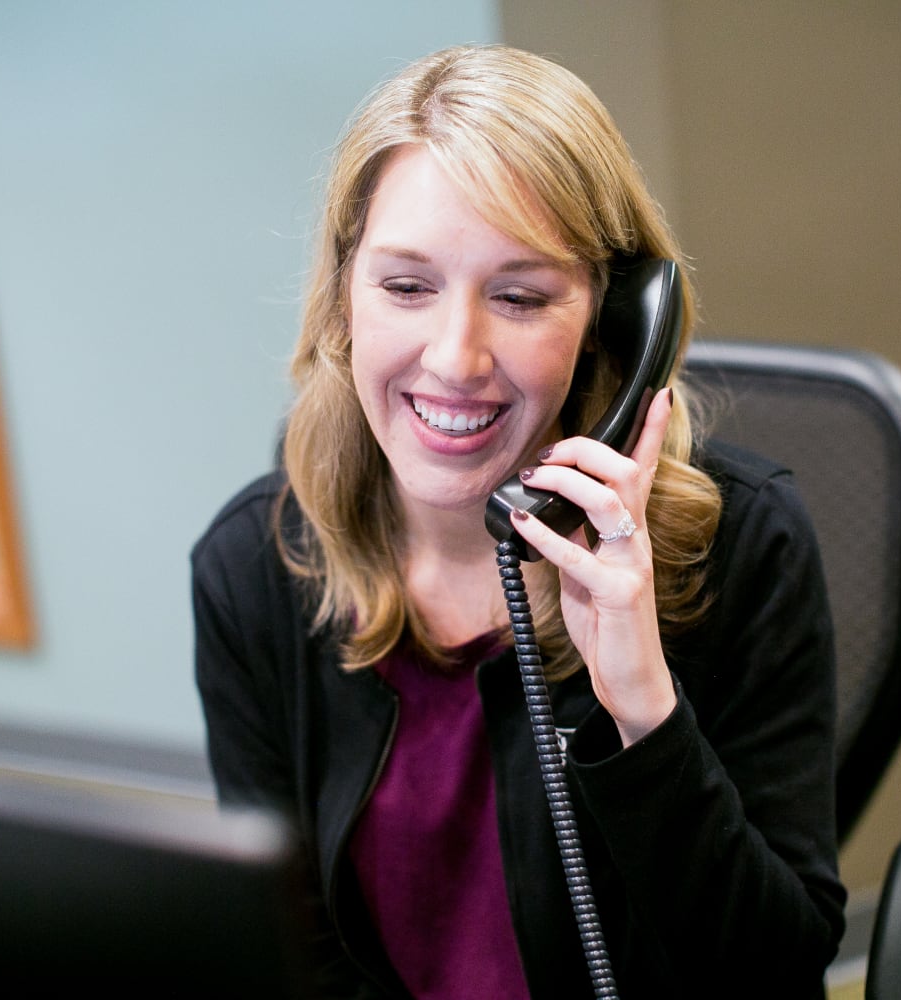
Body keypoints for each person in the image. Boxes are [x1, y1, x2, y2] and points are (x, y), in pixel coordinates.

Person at [191, 43, 846, 999]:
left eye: (522, 296)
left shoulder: (742, 548)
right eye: (406, 287)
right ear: (343, 301)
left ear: (614, 322)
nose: (456, 358)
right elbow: (291, 953)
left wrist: (643, 709)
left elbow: (770, 975)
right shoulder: (256, 567)